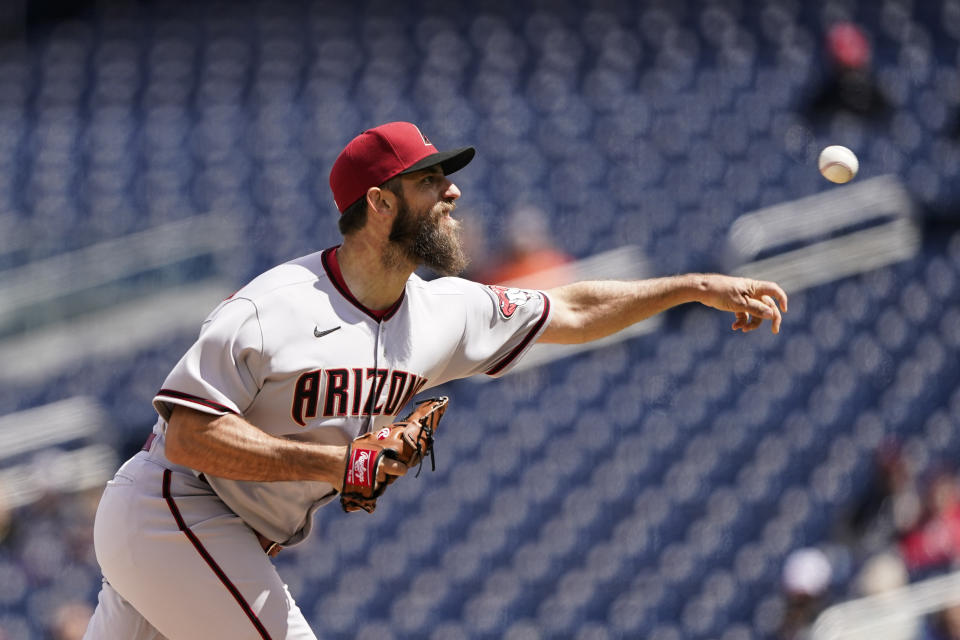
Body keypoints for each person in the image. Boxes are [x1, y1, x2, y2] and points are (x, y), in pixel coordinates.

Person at [83, 121, 787, 639]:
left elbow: (570, 307)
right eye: (429, 180)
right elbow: (187, 435)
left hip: (222, 537)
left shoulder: (444, 310)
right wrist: (336, 462)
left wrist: (690, 286)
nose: (452, 190)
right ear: (380, 204)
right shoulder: (273, 307)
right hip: (171, 509)